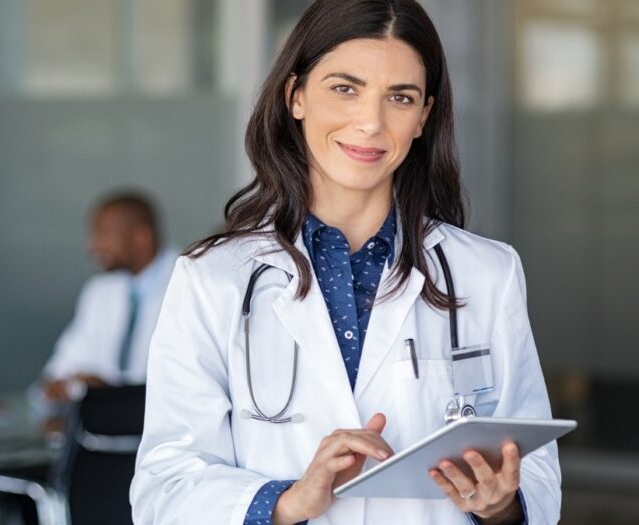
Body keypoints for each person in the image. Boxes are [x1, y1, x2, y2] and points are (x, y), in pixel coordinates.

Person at [130, 1, 560, 524]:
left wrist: (499, 506)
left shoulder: (488, 273)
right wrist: (286, 501)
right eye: (345, 88)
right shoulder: (212, 279)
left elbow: (536, 477)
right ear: (296, 97)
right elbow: (164, 487)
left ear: (424, 115)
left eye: (399, 97)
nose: (370, 122)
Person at [37, 192, 177, 403]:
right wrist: (60, 384)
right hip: (101, 428)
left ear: (141, 237)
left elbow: (181, 384)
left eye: (103, 235)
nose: (92, 247)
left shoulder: (189, 285)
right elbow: (64, 364)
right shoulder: (100, 291)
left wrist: (111, 392)